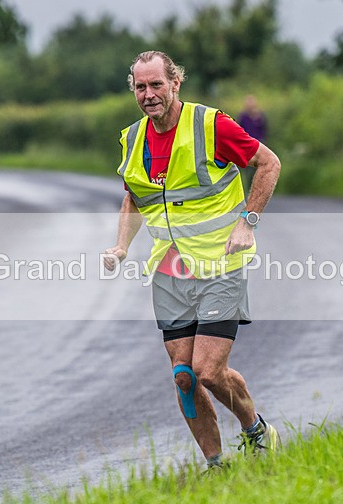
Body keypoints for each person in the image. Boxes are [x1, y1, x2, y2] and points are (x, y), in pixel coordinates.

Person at [103, 51, 282, 470]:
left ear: (175, 83)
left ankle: (257, 431)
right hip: (169, 269)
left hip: (221, 263)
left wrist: (247, 221)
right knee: (183, 377)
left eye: (157, 85)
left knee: (207, 371)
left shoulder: (209, 125)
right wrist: (121, 246)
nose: (149, 95)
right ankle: (217, 466)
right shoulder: (131, 138)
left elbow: (268, 163)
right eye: (141, 87)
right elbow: (134, 196)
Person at [236, 95, 268, 193]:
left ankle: (259, 190)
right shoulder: (243, 117)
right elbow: (238, 130)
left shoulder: (260, 116)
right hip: (246, 146)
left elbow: (265, 130)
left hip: (258, 145)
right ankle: (249, 190)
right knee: (248, 171)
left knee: (260, 169)